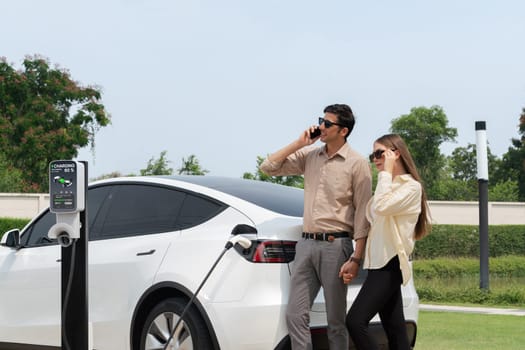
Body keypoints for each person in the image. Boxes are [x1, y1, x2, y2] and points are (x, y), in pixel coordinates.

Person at [259, 104, 372, 350]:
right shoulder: (310, 156)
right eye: (321, 120)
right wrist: (299, 143)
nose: (321, 126)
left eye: (327, 123)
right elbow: (267, 167)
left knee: (335, 321)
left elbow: (364, 212)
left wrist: (356, 256)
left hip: (337, 246)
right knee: (295, 315)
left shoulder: (357, 164)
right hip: (306, 245)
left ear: (343, 131)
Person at [341, 133, 431, 350]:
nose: (376, 159)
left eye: (380, 153)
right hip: (377, 264)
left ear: (396, 154)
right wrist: (356, 258)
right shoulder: (388, 184)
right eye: (373, 155)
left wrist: (386, 173)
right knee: (396, 331)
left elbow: (381, 206)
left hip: (389, 264)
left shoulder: (411, 187)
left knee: (355, 321)